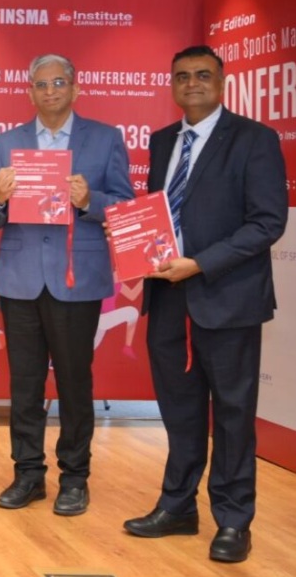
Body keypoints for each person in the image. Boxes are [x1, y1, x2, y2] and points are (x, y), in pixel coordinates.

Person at [122, 45, 287, 563]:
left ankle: (234, 520)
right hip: (169, 298)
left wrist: (200, 263)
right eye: (182, 76)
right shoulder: (163, 140)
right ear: (172, 84)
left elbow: (267, 222)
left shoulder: (255, 139)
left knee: (233, 416)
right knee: (180, 411)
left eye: (202, 75)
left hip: (228, 297)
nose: (191, 83)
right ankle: (177, 506)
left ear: (221, 82)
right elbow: (161, 217)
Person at [0, 53, 133, 515]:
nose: (50, 91)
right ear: (30, 92)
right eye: (41, 84)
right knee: (25, 385)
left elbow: (124, 207)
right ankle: (27, 474)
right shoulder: (7, 142)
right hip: (20, 280)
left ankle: (74, 477)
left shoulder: (105, 138)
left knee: (73, 382)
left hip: (76, 280)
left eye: (59, 82)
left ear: (75, 88)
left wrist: (90, 200)